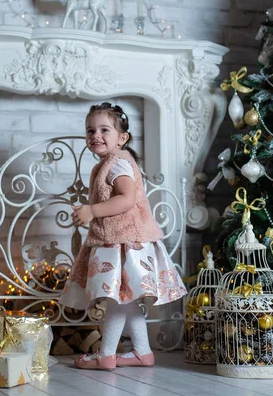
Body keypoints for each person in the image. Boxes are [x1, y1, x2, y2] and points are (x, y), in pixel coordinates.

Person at [59, 102, 187, 371]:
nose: (96, 135)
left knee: (117, 297)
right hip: (118, 240)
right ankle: (142, 351)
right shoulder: (109, 163)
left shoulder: (118, 164)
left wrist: (92, 210)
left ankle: (106, 355)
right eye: (90, 130)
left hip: (124, 241)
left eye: (105, 129)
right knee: (125, 298)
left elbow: (127, 199)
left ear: (122, 137)